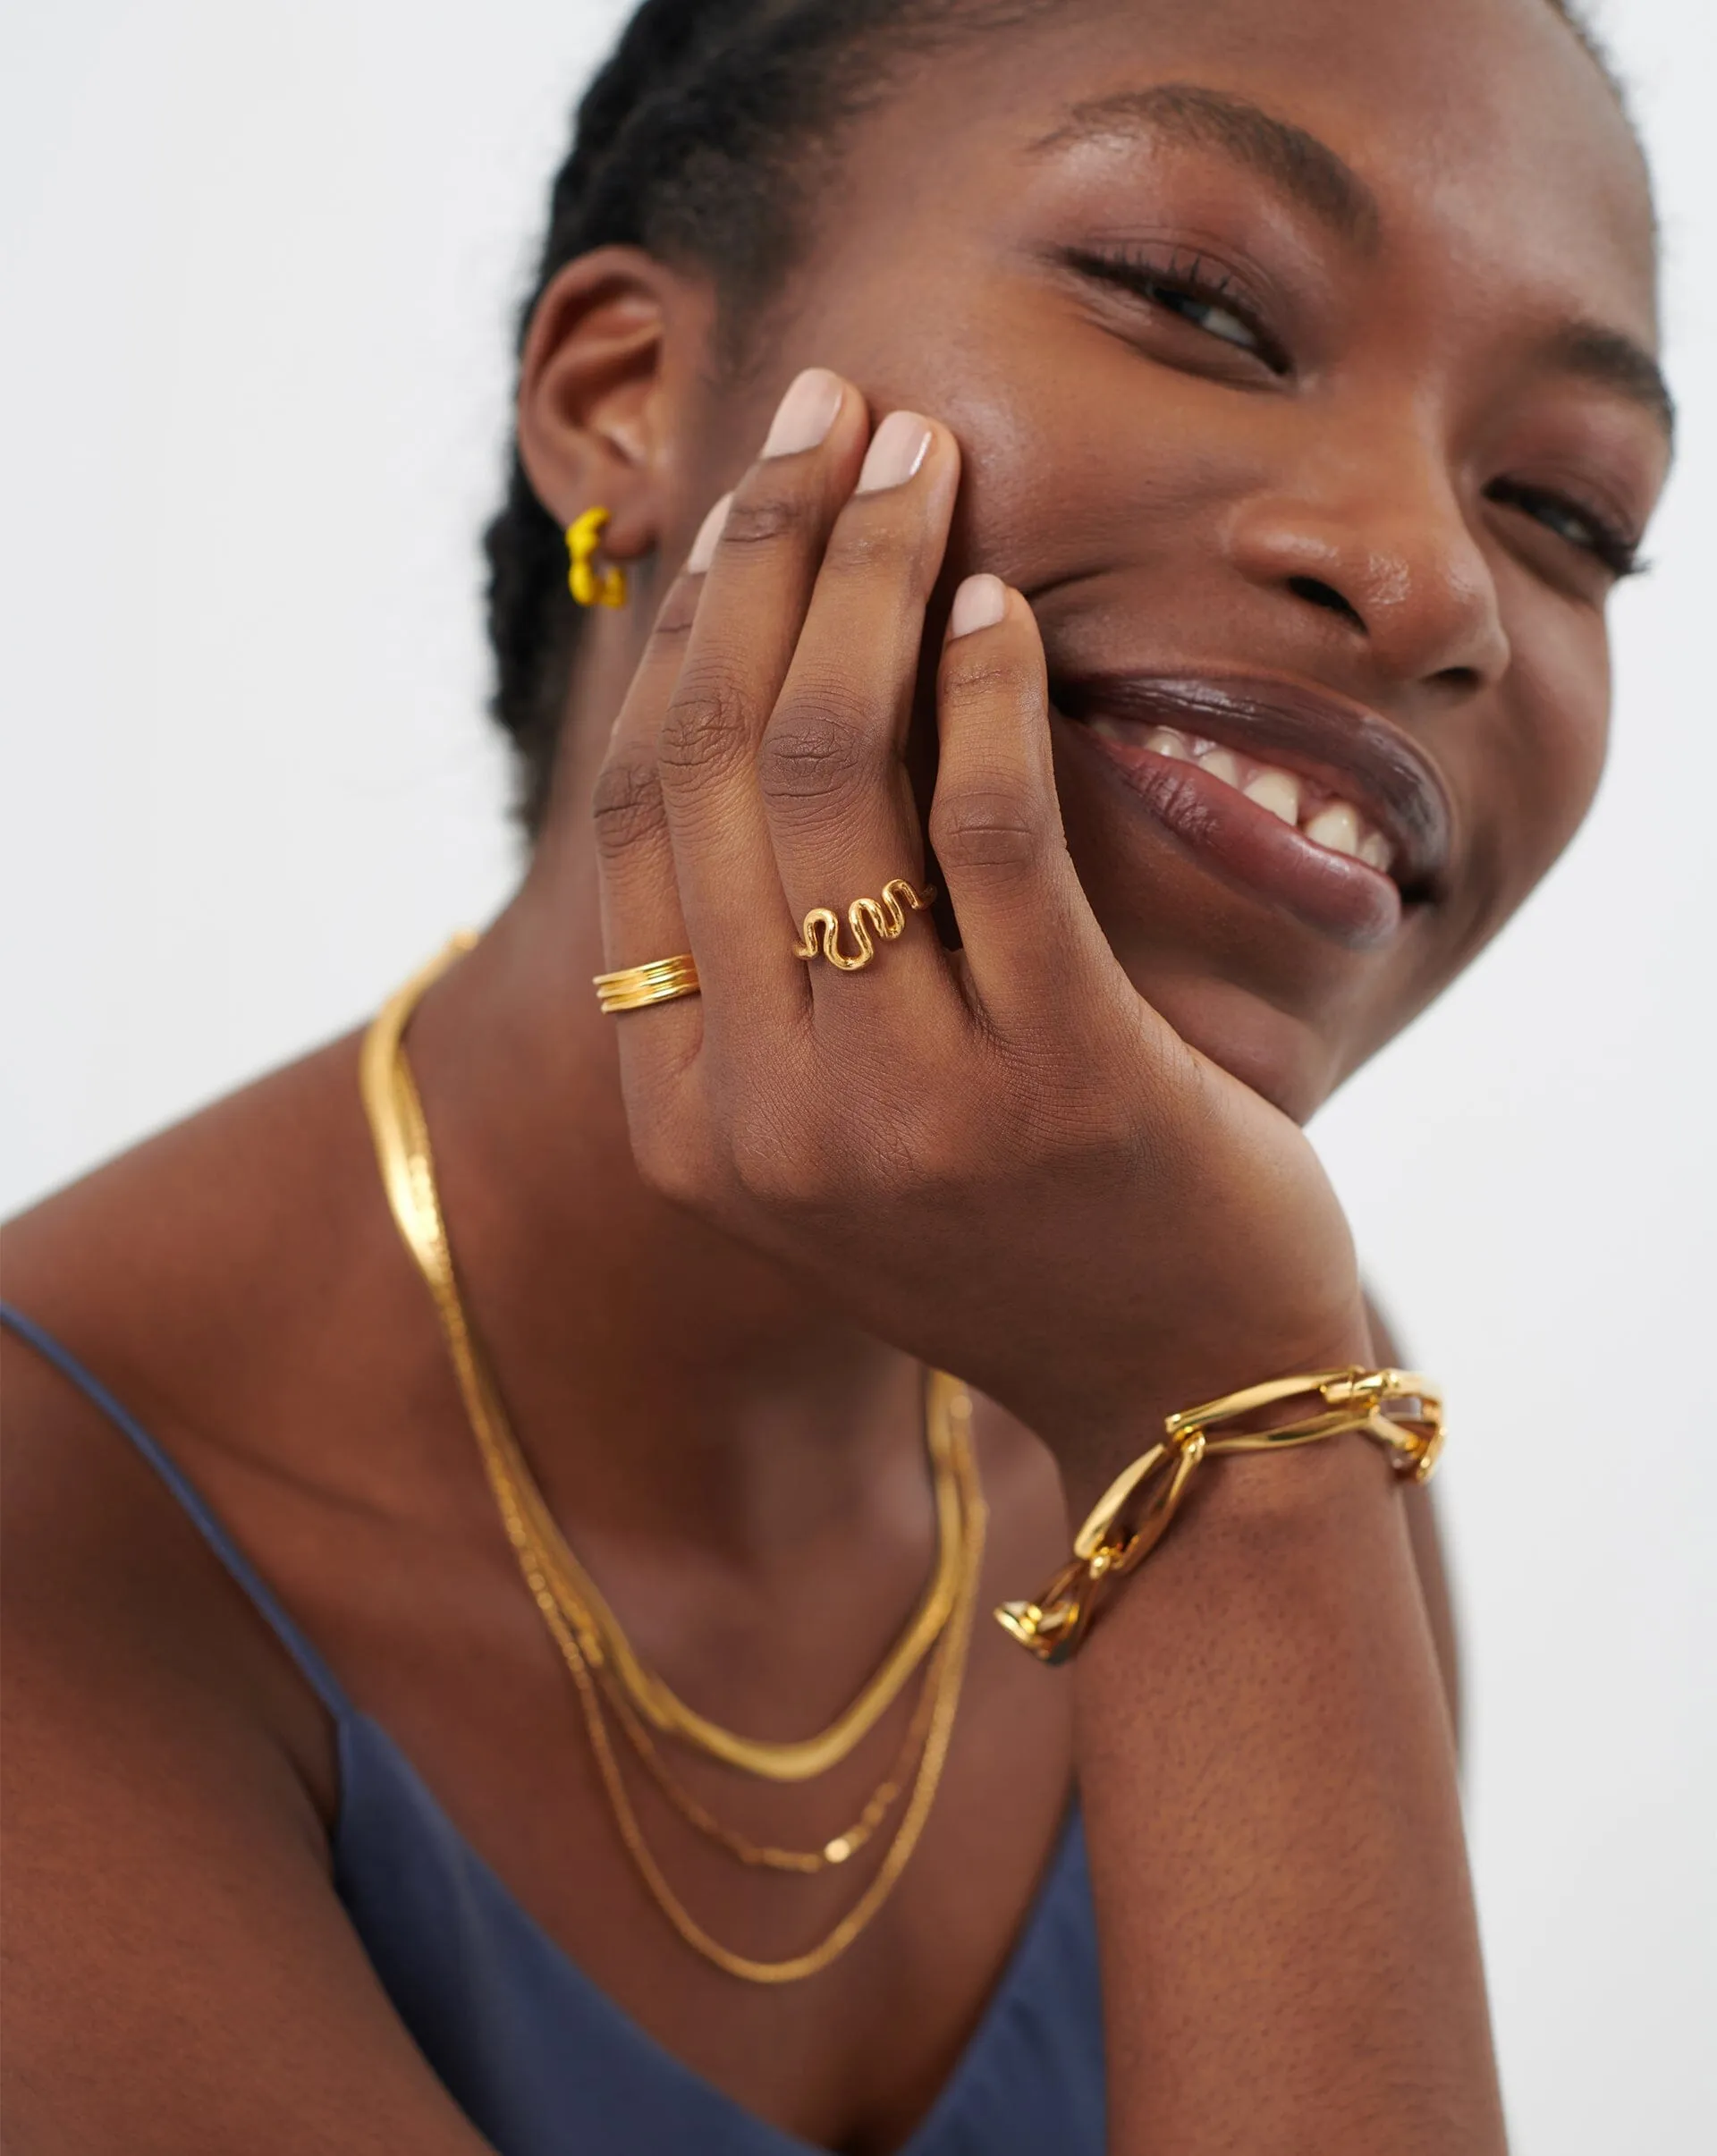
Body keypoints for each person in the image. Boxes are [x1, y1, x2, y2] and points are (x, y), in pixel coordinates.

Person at [0, 0, 1672, 2148]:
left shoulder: (1257, 1394)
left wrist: (1233, 1448)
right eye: (1197, 302)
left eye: (1567, 510)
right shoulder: (65, 1562)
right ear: (627, 398)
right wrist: (1232, 1449)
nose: (1439, 580)